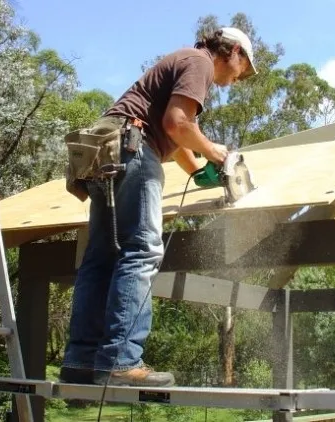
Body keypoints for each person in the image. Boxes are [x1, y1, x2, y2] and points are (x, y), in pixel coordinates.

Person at [59, 27, 258, 387]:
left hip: (106, 150)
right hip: (134, 149)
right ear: (232, 51)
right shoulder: (199, 62)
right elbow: (177, 124)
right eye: (242, 66)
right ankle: (121, 361)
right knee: (142, 251)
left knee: (101, 257)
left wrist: (200, 172)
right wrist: (216, 152)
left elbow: (175, 137)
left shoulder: (181, 59)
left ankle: (80, 362)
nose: (239, 76)